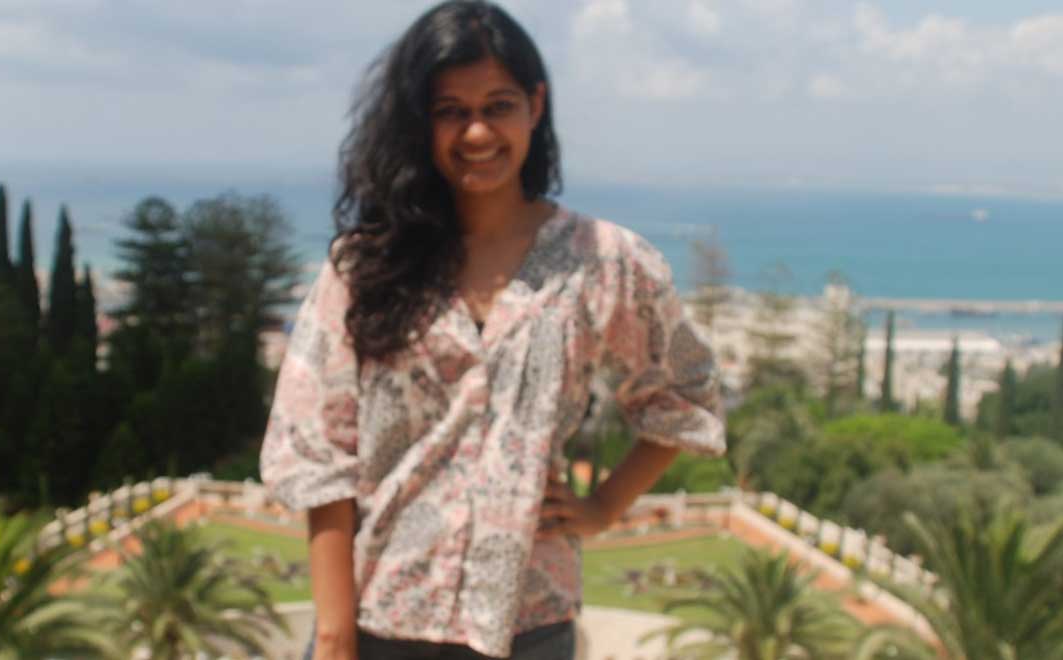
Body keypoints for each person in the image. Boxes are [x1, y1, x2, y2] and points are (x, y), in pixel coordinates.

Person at [260, 2, 725, 658]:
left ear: (536, 105)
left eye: (498, 106)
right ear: (420, 122)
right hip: (379, 621)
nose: (476, 132)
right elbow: (318, 452)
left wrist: (603, 507)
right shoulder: (364, 268)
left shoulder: (603, 261)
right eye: (450, 111)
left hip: (529, 626)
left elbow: (688, 391)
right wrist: (335, 639)